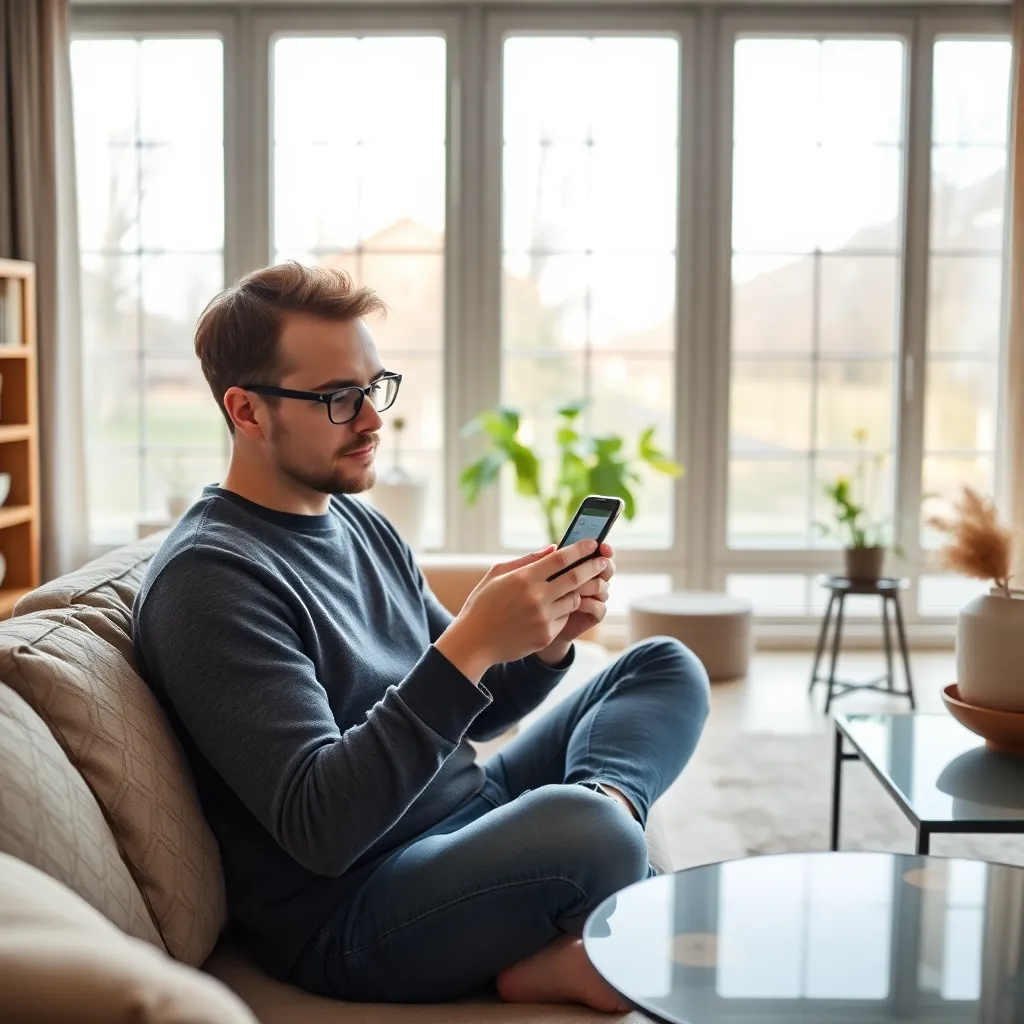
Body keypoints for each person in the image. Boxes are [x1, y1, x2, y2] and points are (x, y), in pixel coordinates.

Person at [133, 262, 710, 1013]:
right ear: (246, 410)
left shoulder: (358, 523)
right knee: (586, 828)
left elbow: (481, 710)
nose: (373, 419)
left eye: (374, 387)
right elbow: (322, 825)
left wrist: (543, 644)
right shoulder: (210, 581)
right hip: (354, 907)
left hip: (467, 811)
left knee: (662, 668)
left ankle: (600, 851)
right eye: (340, 399)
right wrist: (468, 643)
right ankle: (597, 882)